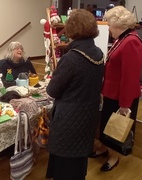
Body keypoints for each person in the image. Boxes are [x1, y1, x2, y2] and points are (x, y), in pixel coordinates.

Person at [45, 9, 105, 180]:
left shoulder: (72, 58)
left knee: (65, 167)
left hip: (69, 120)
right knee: (78, 164)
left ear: (72, 30)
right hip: (87, 117)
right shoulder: (98, 53)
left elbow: (52, 91)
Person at [91, 6, 142, 172]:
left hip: (122, 98)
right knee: (107, 125)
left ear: (118, 24)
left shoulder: (132, 42)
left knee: (116, 130)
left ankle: (114, 157)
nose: (108, 27)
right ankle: (105, 149)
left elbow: (129, 78)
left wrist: (125, 104)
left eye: (109, 24)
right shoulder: (123, 38)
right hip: (112, 94)